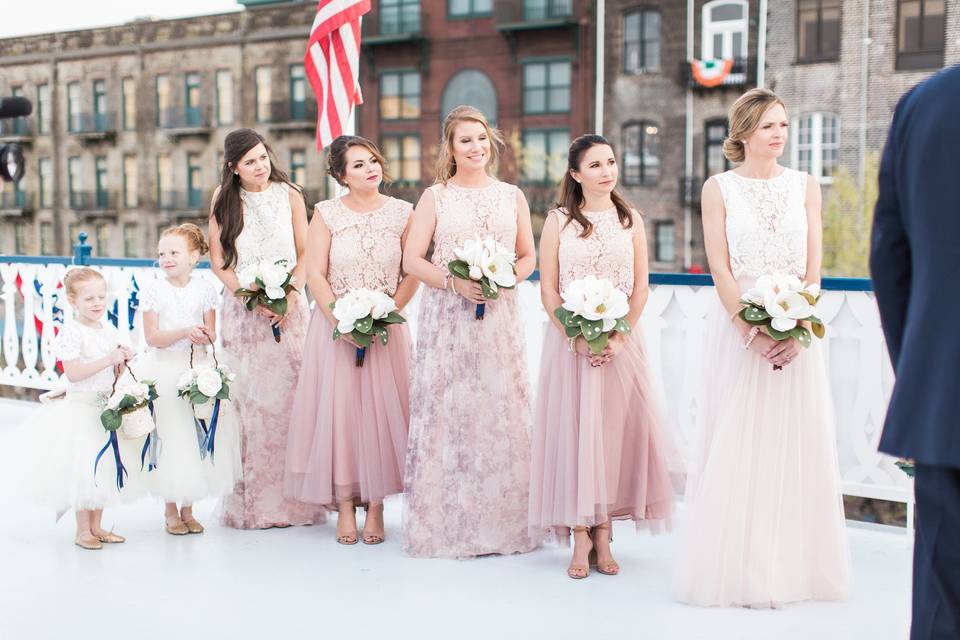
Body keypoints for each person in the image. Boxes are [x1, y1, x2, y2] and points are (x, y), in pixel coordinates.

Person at [673, 88, 850, 607]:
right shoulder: (718, 188)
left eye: (785, 125)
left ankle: (793, 570)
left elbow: (814, 264)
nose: (780, 134)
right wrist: (750, 332)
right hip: (739, 330)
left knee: (794, 445)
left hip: (797, 329)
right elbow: (720, 267)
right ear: (745, 132)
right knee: (740, 444)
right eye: (770, 125)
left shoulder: (805, 185)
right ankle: (740, 569)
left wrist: (796, 325)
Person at [529, 134, 676, 579]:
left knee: (611, 435)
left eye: (610, 161)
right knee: (575, 435)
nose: (606, 171)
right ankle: (579, 532)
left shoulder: (630, 219)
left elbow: (641, 288)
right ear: (575, 174)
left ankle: (604, 531)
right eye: (594, 165)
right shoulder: (558, 221)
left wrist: (618, 337)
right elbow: (549, 289)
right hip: (570, 346)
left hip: (621, 345)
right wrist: (575, 337)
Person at [400, 105, 539, 558]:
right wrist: (455, 281)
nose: (476, 147)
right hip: (447, 320)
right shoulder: (435, 197)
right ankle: (448, 525)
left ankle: (502, 526)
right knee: (450, 411)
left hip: (498, 319)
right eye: (466, 140)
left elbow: (527, 257)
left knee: (497, 410)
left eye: (482, 138)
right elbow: (413, 260)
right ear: (451, 148)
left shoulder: (511, 195)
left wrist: (503, 279)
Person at [285, 135, 417, 545]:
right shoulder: (325, 214)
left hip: (386, 327)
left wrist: (385, 312)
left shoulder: (403, 212)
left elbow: (411, 271)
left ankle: (375, 505)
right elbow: (314, 273)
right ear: (341, 175)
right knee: (341, 413)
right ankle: (344, 503)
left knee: (382, 413)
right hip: (334, 329)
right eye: (358, 165)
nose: (370, 168)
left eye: (373, 160)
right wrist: (341, 320)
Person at [871, 65, 960, 640]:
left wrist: (925, 374)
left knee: (941, 596)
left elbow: (890, 259)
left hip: (942, 397)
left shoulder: (924, 104)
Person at [208, 128, 324, 529]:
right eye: (250, 161)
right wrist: (248, 295)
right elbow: (219, 262)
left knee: (292, 401)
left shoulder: (289, 195)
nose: (260, 166)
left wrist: (289, 293)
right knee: (250, 406)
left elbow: (307, 251)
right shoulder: (224, 200)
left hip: (289, 311)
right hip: (243, 314)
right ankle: (253, 504)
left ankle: (297, 504)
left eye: (263, 157)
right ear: (233, 168)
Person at [23, 268, 144, 549]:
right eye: (89, 298)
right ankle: (82, 531)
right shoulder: (71, 331)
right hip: (81, 409)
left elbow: (111, 374)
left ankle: (98, 525)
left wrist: (121, 363)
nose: (97, 303)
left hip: (105, 409)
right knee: (84, 469)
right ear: (72, 300)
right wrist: (107, 359)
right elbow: (74, 373)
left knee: (104, 467)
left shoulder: (108, 329)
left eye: (101, 297)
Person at [140, 223, 240, 535]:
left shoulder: (204, 288)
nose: (166, 258)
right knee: (171, 440)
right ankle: (171, 510)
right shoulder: (154, 290)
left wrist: (202, 334)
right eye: (161, 253)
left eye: (174, 252)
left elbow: (211, 332)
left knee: (197, 436)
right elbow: (153, 337)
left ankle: (189, 509)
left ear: (193, 256)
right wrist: (185, 331)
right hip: (166, 371)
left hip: (198, 368)